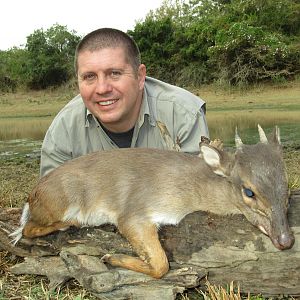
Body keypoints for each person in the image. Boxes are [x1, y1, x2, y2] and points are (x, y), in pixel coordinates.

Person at [40, 28, 209, 177]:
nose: (102, 88)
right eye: (89, 77)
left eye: (114, 73)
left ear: (140, 76)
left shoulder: (183, 113)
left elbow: (198, 193)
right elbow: (51, 203)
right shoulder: (63, 131)